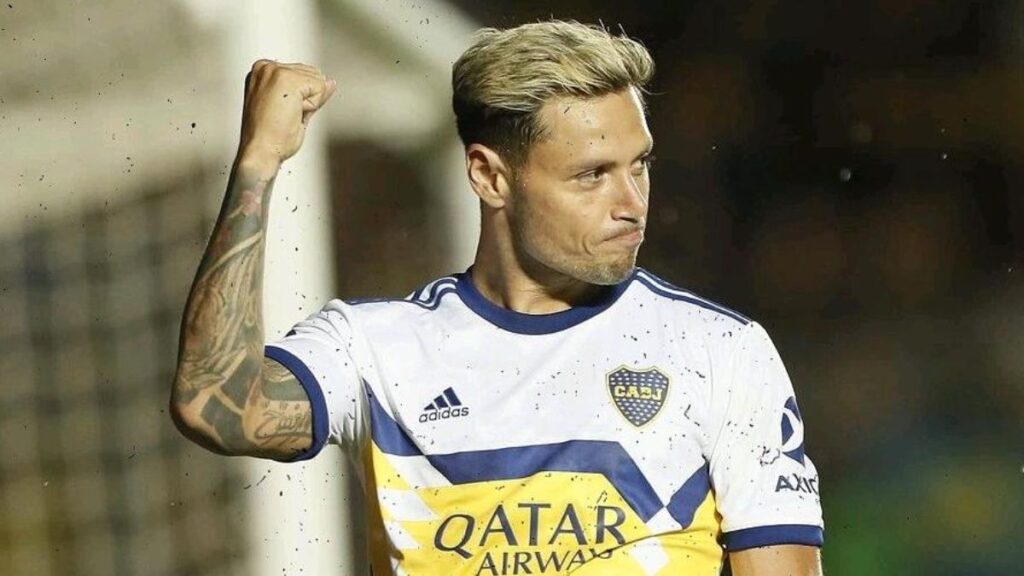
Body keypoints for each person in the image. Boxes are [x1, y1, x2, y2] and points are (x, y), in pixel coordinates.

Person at [170, 20, 824, 576]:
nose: (631, 203)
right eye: (592, 175)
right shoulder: (377, 351)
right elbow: (215, 405)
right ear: (489, 177)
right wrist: (257, 163)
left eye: (640, 165)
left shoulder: (719, 352)